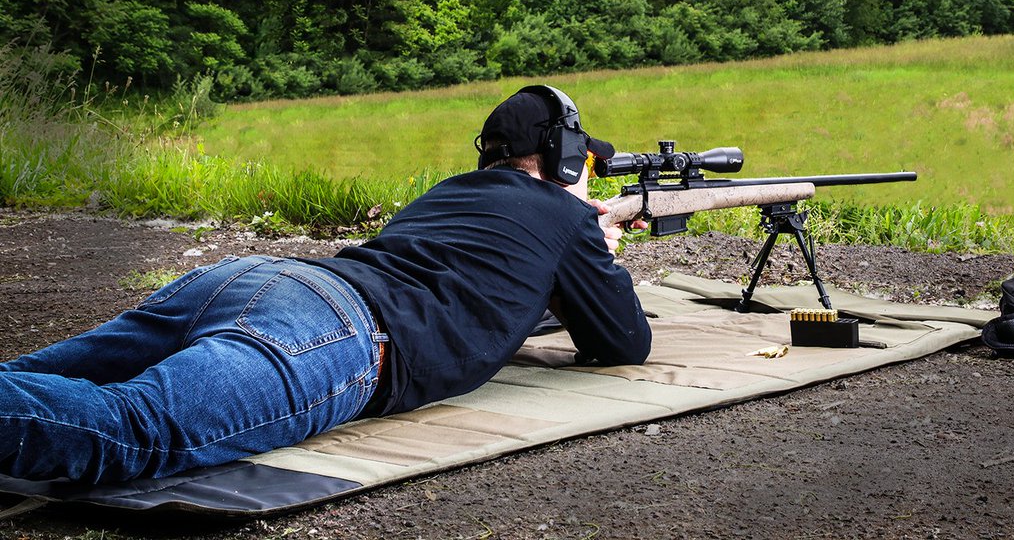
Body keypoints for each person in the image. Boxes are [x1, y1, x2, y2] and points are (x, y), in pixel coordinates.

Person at [0, 85, 651, 484]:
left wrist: (572, 258)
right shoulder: (567, 215)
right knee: (133, 432)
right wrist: (595, 248)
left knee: (36, 377)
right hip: (333, 329)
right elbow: (624, 341)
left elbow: (489, 291)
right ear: (567, 156)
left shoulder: (449, 193)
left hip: (243, 281)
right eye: (585, 160)